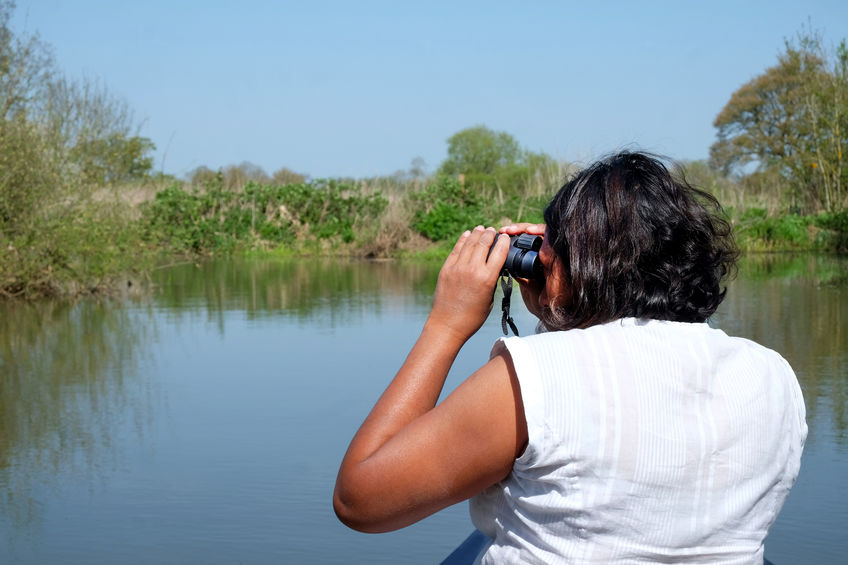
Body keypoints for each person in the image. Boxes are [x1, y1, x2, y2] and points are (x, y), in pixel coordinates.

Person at [333, 151, 807, 564]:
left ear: (578, 265)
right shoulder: (772, 373)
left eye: (550, 255)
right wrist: (564, 285)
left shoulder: (534, 377)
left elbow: (360, 502)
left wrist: (446, 325)